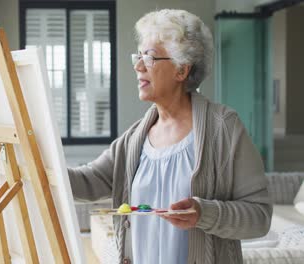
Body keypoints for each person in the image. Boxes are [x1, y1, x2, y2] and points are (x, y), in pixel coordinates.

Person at [67, 9, 272, 264]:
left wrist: (204, 213)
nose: (138, 65)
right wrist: (38, 160)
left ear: (181, 70)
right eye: (138, 55)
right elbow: (87, 181)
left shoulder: (224, 128)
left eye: (150, 58)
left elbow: (259, 216)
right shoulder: (134, 138)